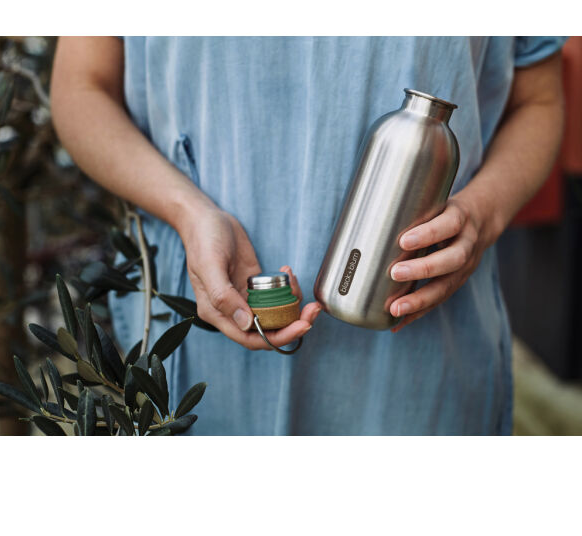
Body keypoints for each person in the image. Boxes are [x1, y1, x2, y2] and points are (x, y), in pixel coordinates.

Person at [51, 36, 565, 435]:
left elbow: (538, 101)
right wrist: (188, 212)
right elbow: (81, 87)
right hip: (197, 334)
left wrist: (483, 214)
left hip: (422, 354)